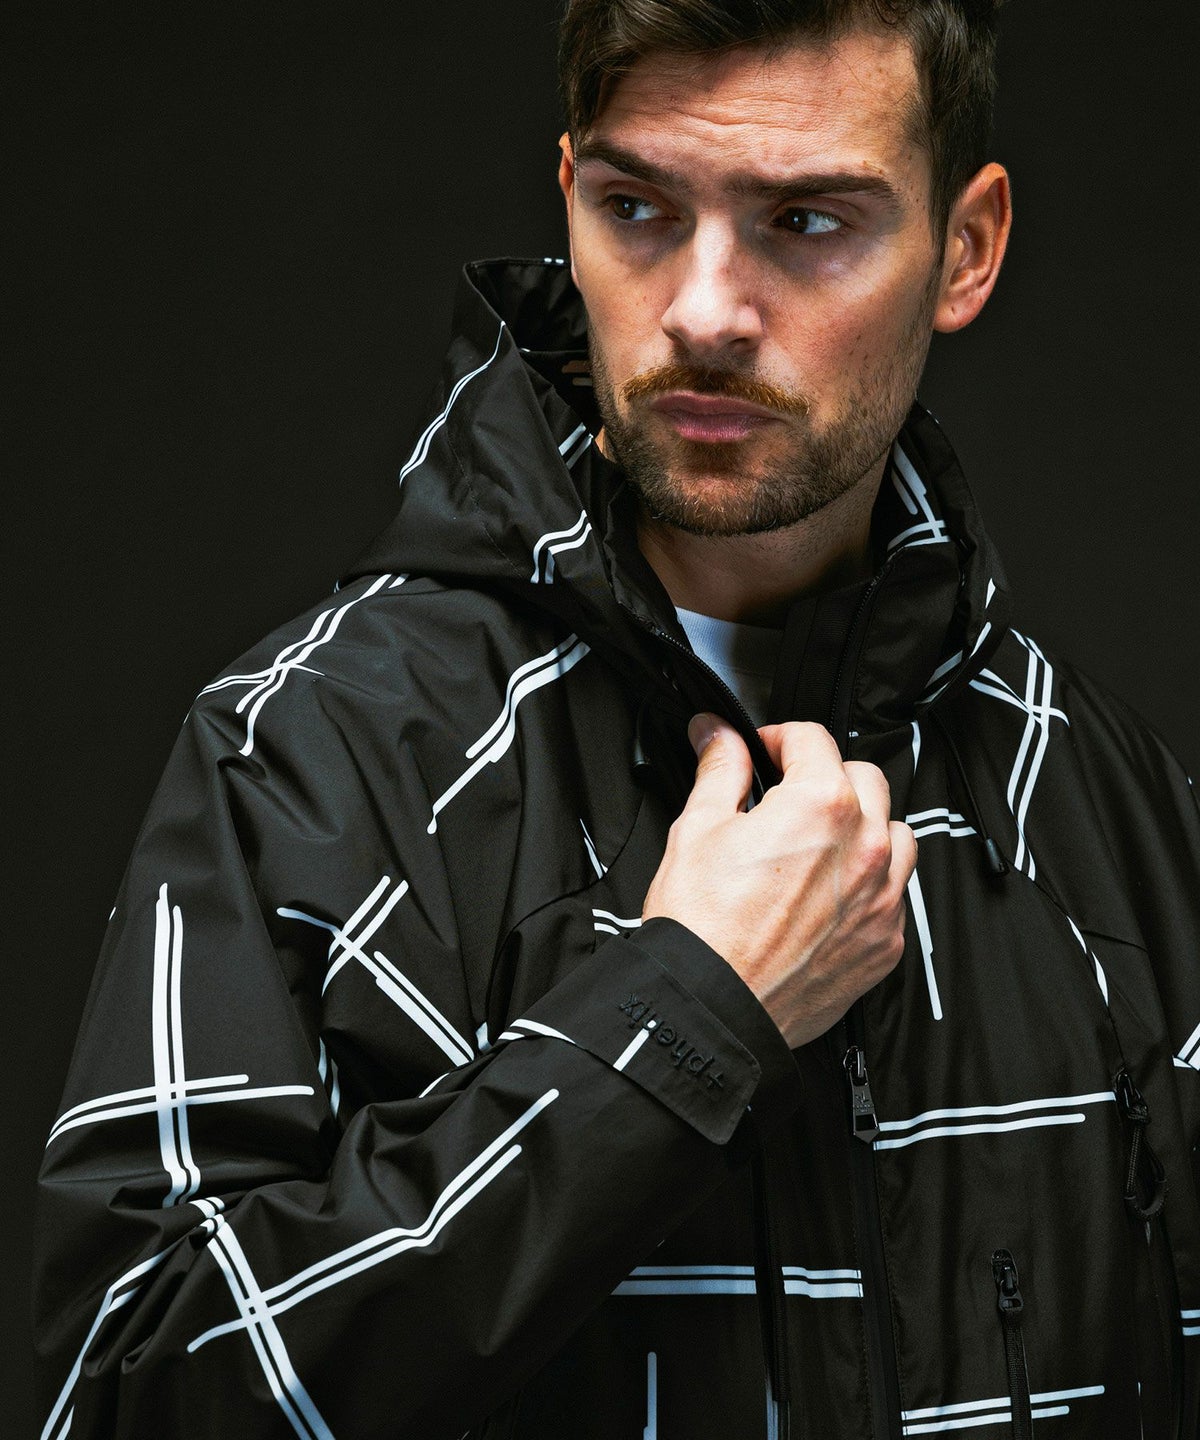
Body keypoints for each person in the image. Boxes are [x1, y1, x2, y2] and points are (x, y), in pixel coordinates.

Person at [32, 1, 1200, 1436]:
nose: (703, 311)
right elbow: (124, 1389)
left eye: (806, 223)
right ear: (570, 196)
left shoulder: (1113, 805)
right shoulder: (314, 757)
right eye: (638, 208)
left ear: (966, 249)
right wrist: (684, 1017)